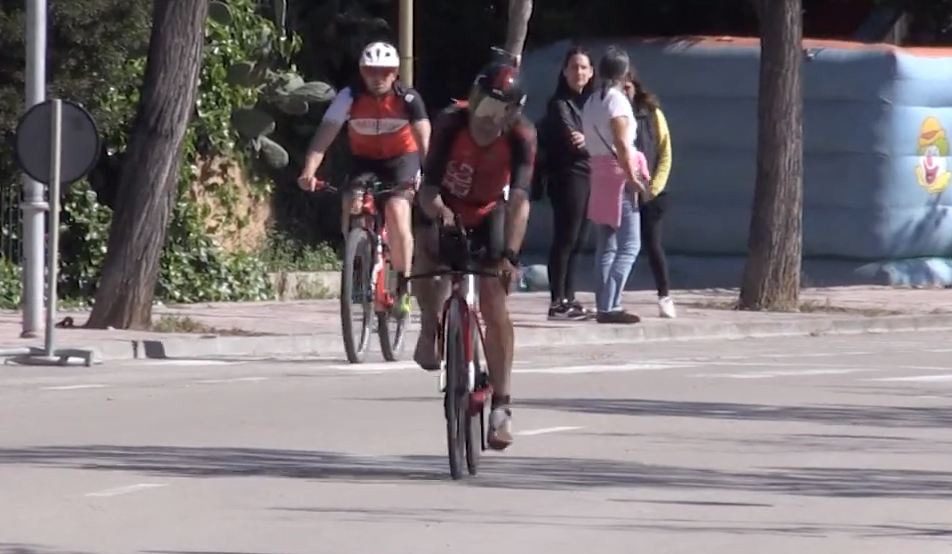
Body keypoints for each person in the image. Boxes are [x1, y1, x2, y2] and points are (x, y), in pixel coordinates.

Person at [413, 60, 536, 450]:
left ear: (513, 114)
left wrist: (510, 257)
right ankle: (431, 324)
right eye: (482, 108)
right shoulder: (450, 122)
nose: (487, 120)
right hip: (444, 207)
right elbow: (427, 190)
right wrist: (442, 214)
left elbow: (519, 202)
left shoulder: (522, 136)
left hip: (489, 213)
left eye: (500, 113)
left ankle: (502, 407)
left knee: (493, 302)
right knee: (426, 256)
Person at [297, 41, 431, 315]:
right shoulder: (349, 97)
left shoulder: (408, 99)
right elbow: (324, 136)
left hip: (402, 160)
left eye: (385, 71)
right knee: (353, 201)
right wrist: (309, 171)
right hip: (365, 160)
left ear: (395, 73)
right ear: (362, 71)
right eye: (371, 71)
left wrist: (431, 177)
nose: (378, 77)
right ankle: (357, 259)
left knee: (396, 209)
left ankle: (403, 285)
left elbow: (424, 141)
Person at [581, 46, 648, 324]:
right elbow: (621, 142)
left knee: (606, 243)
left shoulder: (591, 101)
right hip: (619, 174)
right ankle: (612, 304)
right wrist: (632, 177)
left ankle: (603, 304)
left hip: (598, 172)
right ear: (623, 72)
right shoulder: (617, 102)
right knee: (630, 245)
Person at [541, 46, 596, 321]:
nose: (579, 72)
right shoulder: (559, 103)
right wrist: (593, 141)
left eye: (584, 67)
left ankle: (570, 296)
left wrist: (591, 140)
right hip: (568, 175)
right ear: (564, 71)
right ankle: (556, 300)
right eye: (574, 67)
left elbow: (601, 138)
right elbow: (571, 140)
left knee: (580, 240)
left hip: (590, 175)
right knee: (565, 237)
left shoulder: (592, 102)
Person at [624, 68, 676, 319]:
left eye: (627, 87)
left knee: (652, 244)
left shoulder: (652, 114)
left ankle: (664, 295)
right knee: (621, 245)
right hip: (622, 190)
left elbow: (665, 152)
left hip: (651, 191)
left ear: (635, 86)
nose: (624, 92)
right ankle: (612, 298)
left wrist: (654, 187)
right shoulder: (611, 116)